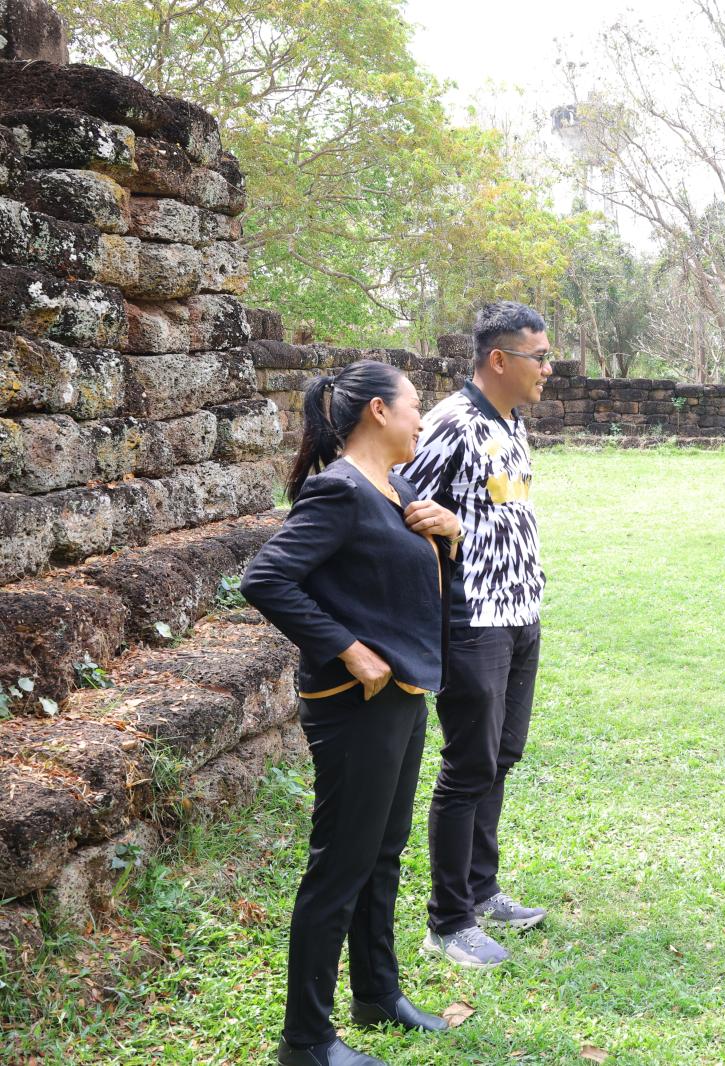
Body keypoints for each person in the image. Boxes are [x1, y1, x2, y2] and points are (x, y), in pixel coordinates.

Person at [242, 360, 461, 1066]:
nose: (422, 417)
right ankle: (305, 1039)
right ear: (378, 411)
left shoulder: (397, 487)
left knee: (382, 853)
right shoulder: (339, 490)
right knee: (340, 864)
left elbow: (403, 585)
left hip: (403, 694)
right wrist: (349, 649)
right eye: (414, 405)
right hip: (355, 703)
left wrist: (449, 535)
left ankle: (376, 994)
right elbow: (266, 578)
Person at [400, 301, 552, 968]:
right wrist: (448, 538)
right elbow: (398, 499)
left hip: (519, 612)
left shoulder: (510, 421)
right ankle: (448, 921)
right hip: (473, 619)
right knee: (467, 768)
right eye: (538, 357)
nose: (547, 368)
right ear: (498, 359)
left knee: (501, 755)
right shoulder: (452, 422)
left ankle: (481, 890)